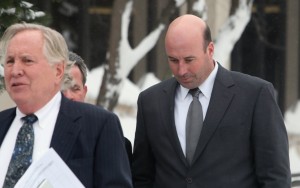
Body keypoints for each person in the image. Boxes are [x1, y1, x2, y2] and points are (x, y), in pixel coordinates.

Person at [132, 14, 291, 188]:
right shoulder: (150, 102)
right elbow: (142, 177)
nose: (181, 70)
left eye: (189, 59)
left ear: (210, 50)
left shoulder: (255, 95)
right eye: (173, 60)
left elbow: (275, 176)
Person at [0, 23, 132, 188]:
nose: (15, 71)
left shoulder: (98, 125)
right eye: (10, 61)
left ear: (58, 71)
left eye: (27, 60)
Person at [62, 51, 133, 165]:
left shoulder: (112, 142)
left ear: (84, 92)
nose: (68, 96)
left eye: (75, 89)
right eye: (61, 90)